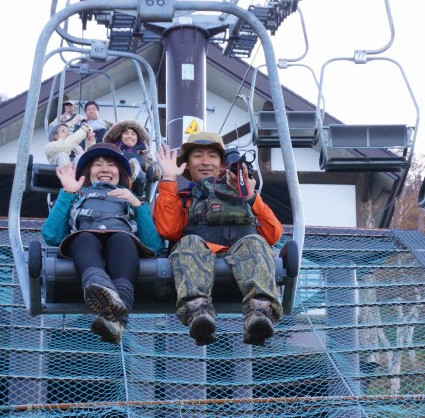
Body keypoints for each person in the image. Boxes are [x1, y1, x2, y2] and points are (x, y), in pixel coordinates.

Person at [153, 131, 284, 347]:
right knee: (189, 243)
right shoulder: (185, 199)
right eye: (197, 156)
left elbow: (273, 234)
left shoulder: (244, 195)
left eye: (212, 156)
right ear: (187, 164)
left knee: (256, 242)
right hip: (198, 259)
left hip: (244, 260)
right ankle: (198, 312)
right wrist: (168, 180)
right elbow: (168, 230)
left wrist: (251, 197)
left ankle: (259, 313)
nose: (205, 162)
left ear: (222, 164)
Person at [42, 143, 164, 343]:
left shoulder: (130, 200)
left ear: (121, 173)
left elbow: (154, 246)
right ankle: (102, 288)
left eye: (111, 165)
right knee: (84, 237)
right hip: (86, 244)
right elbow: (52, 236)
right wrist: (67, 193)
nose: (105, 169)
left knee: (122, 238)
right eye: (98, 165)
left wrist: (137, 205)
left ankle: (112, 303)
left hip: (122, 247)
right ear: (88, 172)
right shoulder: (77, 198)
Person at [104, 119, 155, 198]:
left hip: (135, 190)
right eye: (126, 133)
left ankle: (133, 171)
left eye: (133, 134)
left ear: (138, 138)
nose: (129, 136)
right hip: (114, 182)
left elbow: (157, 173)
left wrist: (147, 166)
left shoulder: (144, 155)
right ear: (121, 136)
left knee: (136, 163)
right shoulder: (111, 151)